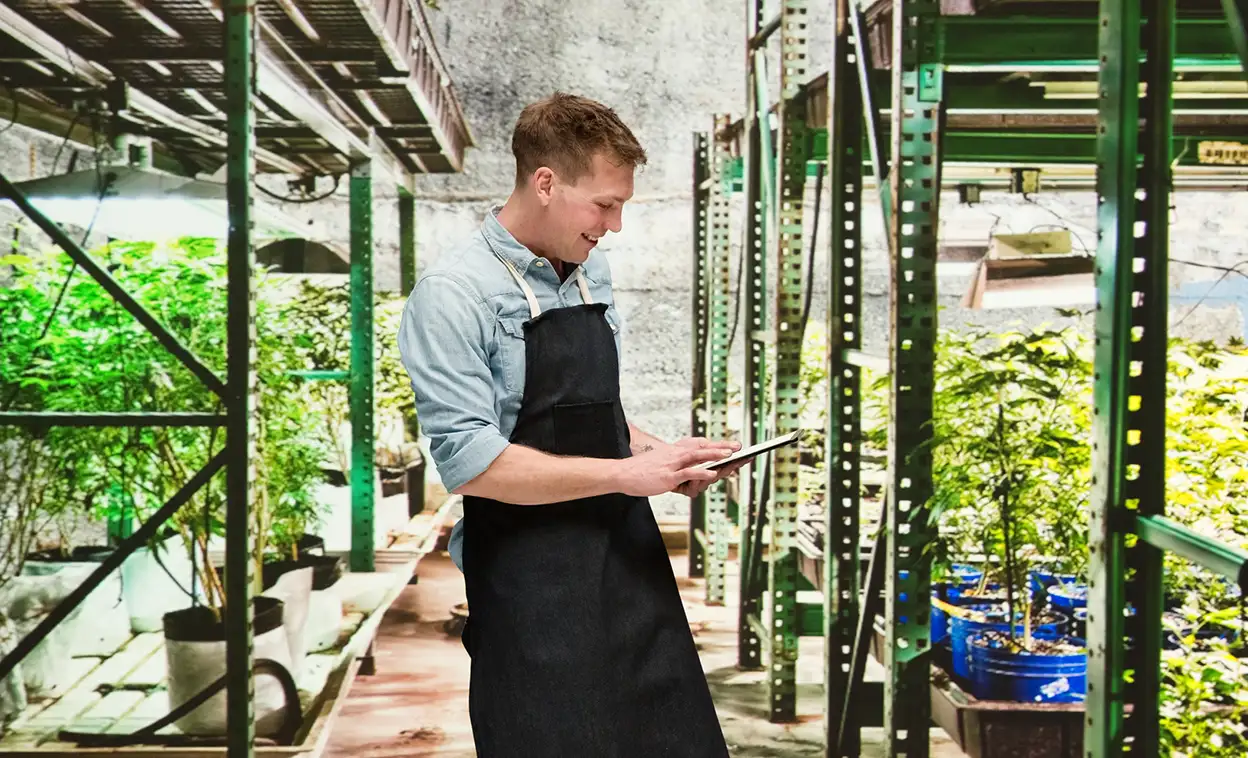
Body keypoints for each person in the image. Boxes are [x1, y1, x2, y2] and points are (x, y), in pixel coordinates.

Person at [398, 92, 741, 757]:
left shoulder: (590, 272)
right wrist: (625, 472)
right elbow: (471, 460)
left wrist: (663, 459)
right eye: (604, 205)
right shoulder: (455, 295)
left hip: (626, 563)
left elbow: (594, 417)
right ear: (546, 183)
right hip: (531, 583)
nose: (613, 226)